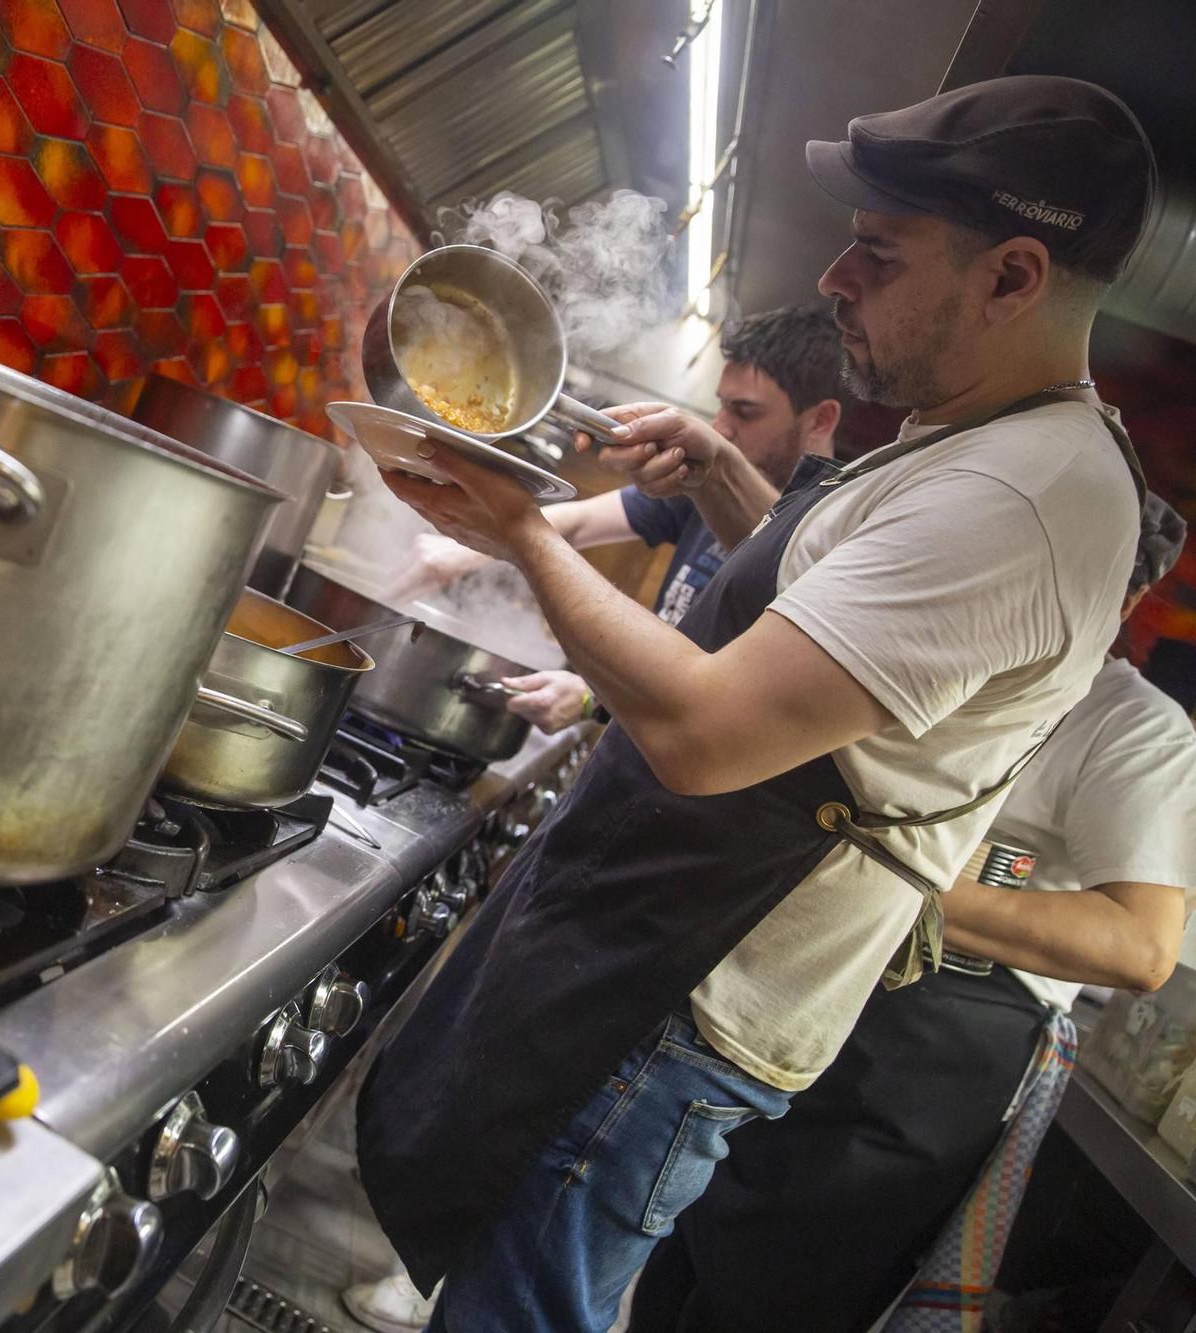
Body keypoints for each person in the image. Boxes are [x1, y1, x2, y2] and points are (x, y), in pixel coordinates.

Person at [352, 74, 1156, 1333]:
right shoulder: (973, 443)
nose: (835, 278)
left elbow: (709, 729)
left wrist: (517, 527)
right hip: (654, 956)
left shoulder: (1026, 495)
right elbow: (825, 635)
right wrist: (730, 476)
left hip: (684, 992)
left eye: (877, 252)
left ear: (1009, 277)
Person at [628, 497, 1196, 1333]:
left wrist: (902, 882)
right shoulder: (956, 654)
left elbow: (1141, 944)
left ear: (1124, 599)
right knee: (688, 1251)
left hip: (939, 1041)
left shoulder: (1135, 729)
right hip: (819, 977)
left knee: (775, 1296)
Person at [383, 306, 846, 735]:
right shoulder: (703, 488)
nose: (721, 428)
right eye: (722, 405)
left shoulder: (833, 536)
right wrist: (461, 552)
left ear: (820, 420)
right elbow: (580, 522)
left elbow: (743, 707)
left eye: (745, 412)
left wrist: (592, 700)